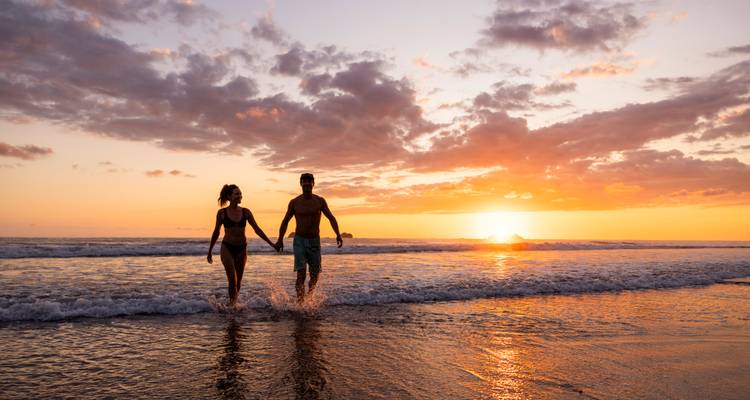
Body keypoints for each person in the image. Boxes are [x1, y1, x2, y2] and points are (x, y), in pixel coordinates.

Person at [276, 173, 342, 303]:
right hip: (299, 241)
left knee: (315, 275)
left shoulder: (319, 201)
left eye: (309, 181)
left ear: (313, 184)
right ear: (300, 184)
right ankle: (301, 303)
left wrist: (338, 234)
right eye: (304, 181)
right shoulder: (294, 202)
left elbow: (331, 217)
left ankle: (309, 299)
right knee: (301, 273)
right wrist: (280, 239)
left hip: (314, 241)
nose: (306, 184)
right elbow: (285, 221)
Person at [208, 184, 277, 307]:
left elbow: (257, 229)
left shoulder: (246, 212)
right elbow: (216, 232)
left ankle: (234, 304)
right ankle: (232, 306)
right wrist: (210, 251)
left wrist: (271, 243)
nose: (240, 196)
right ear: (229, 197)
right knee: (232, 279)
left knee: (238, 282)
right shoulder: (222, 213)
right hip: (227, 248)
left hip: (241, 249)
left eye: (240, 193)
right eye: (236, 194)